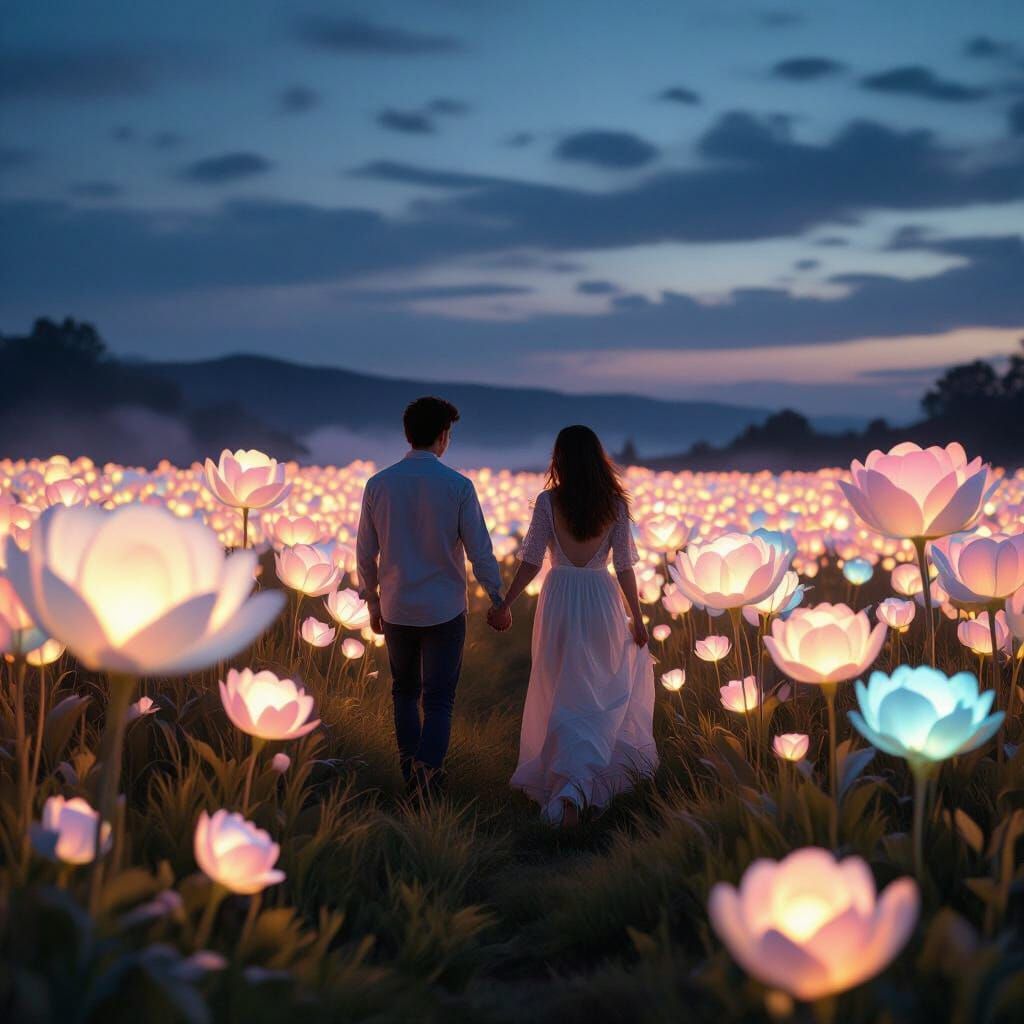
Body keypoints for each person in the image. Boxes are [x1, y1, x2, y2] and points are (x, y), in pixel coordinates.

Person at [489, 425, 657, 826]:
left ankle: (569, 788)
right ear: (598, 460)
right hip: (601, 599)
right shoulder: (614, 504)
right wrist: (636, 617)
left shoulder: (549, 502)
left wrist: (506, 603)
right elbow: (624, 566)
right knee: (596, 690)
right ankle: (580, 786)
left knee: (562, 688)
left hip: (560, 598)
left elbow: (531, 560)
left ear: (560, 460)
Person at [356, 396, 508, 794]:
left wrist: (372, 602)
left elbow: (365, 553)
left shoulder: (378, 485)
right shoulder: (458, 487)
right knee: (439, 698)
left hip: (397, 607)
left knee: (404, 692)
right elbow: (480, 552)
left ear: (408, 435)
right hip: (444, 609)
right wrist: (498, 599)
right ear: (443, 436)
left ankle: (412, 775)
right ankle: (427, 770)